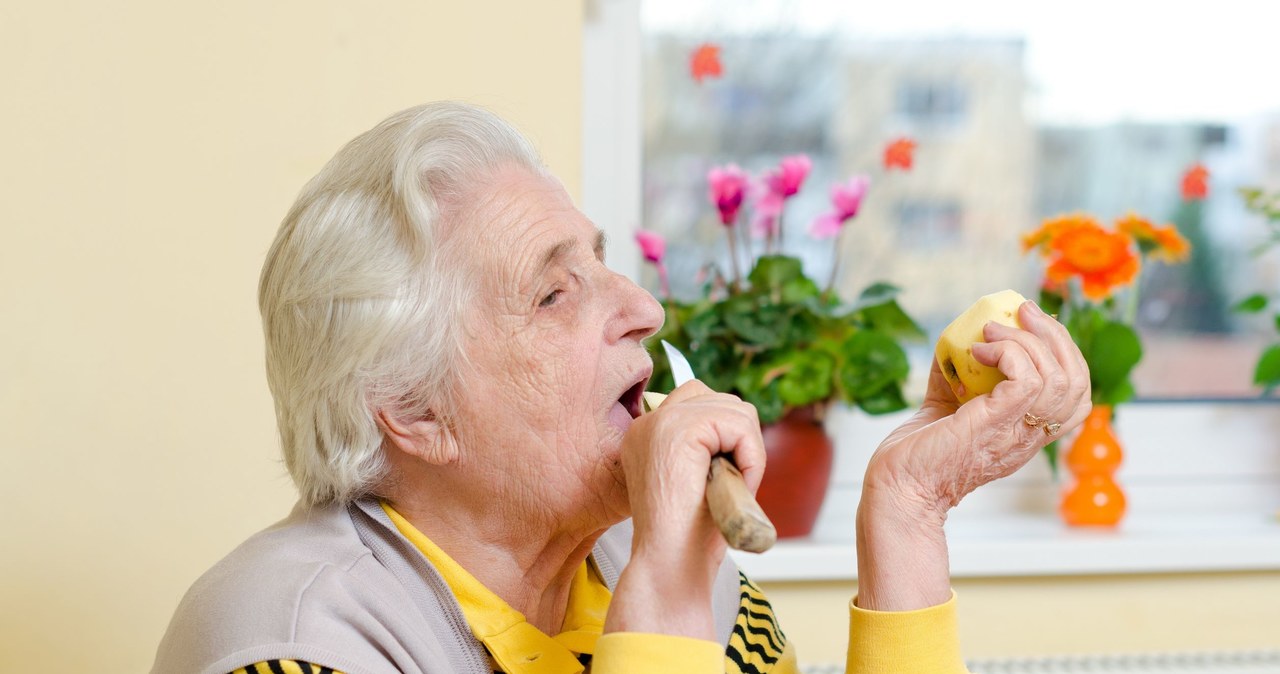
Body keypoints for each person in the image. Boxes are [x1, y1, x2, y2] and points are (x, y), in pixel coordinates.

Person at [151, 102, 1090, 674]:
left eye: (607, 267)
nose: (644, 306)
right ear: (415, 411)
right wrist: (669, 603)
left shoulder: (675, 585)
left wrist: (909, 512)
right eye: (555, 291)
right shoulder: (284, 645)